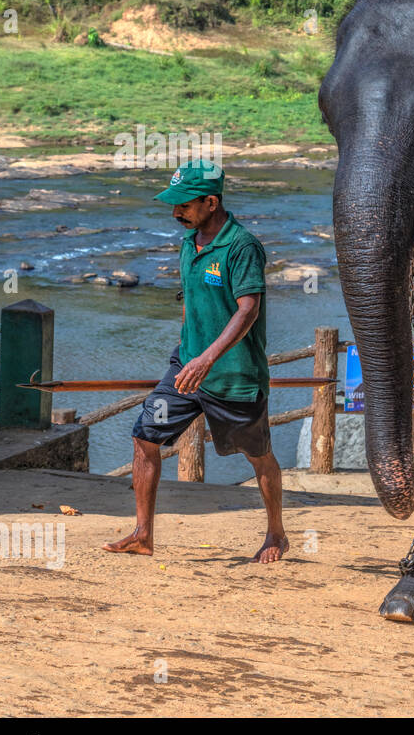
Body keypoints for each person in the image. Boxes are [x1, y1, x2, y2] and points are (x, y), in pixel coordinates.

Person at [103, 159, 287, 563]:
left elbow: (247, 310)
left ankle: (276, 533)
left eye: (184, 205)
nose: (175, 213)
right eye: (173, 206)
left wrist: (207, 358)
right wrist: (189, 353)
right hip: (186, 368)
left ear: (211, 201)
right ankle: (143, 533)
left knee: (258, 456)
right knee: (144, 436)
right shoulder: (189, 244)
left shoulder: (242, 247)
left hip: (234, 377)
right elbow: (190, 301)